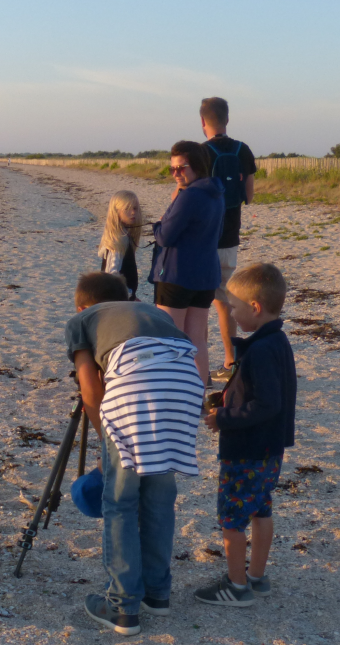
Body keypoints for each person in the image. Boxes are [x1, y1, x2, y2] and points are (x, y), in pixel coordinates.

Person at [65, 272, 204, 635]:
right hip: (186, 388)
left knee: (120, 500)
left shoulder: (82, 320)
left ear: (82, 306)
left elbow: (90, 391)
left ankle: (122, 606)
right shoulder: (150, 311)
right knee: (159, 496)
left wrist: (105, 440)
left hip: (136, 391)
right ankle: (157, 593)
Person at [193, 263, 297, 608]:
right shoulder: (275, 341)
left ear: (255, 307)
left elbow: (266, 404)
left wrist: (223, 417)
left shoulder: (263, 350)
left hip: (247, 450)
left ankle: (237, 586)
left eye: (235, 308)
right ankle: (257, 577)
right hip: (269, 449)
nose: (232, 315)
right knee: (261, 509)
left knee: (232, 518)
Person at [151, 141, 225, 386]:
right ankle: (198, 393)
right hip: (205, 276)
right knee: (197, 340)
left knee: (169, 338)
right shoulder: (217, 193)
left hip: (177, 275)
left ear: (197, 166)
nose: (175, 174)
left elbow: (165, 236)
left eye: (181, 168)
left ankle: (172, 391)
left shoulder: (190, 195)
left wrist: (160, 222)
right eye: (172, 169)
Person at [198, 97, 259, 382]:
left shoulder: (200, 153)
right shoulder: (242, 149)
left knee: (203, 304)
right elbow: (249, 195)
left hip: (204, 238)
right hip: (231, 236)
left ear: (202, 122)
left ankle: (213, 365)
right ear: (227, 119)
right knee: (225, 301)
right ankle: (229, 361)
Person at [98, 190, 144, 300]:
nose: (133, 212)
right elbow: (111, 274)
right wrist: (128, 296)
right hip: (117, 300)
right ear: (116, 211)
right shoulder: (118, 238)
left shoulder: (123, 235)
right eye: (127, 209)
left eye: (135, 208)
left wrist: (132, 296)